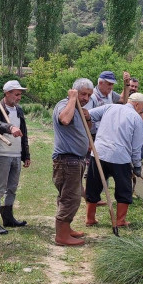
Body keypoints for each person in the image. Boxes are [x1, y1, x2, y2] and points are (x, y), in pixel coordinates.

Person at [83, 92, 143, 227]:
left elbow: (87, 114)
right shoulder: (136, 118)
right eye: (142, 106)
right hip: (120, 157)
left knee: (93, 186)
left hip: (99, 153)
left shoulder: (109, 107)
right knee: (124, 189)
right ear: (136, 104)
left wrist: (88, 121)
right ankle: (120, 221)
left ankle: (90, 219)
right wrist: (137, 165)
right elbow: (136, 146)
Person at [51, 78, 95, 246]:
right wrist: (72, 99)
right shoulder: (65, 104)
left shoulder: (79, 108)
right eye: (83, 94)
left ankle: (66, 229)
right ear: (74, 91)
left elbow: (85, 129)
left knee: (68, 196)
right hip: (67, 160)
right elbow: (65, 120)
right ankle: (61, 237)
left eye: (89, 95)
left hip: (76, 160)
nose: (86, 98)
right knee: (70, 198)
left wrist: (88, 117)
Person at [0, 80, 31, 235]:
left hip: (16, 155)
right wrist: (9, 127)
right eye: (17, 94)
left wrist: (26, 155)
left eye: (20, 94)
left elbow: (24, 133)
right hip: (2, 154)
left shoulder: (19, 110)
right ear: (7, 93)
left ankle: (8, 218)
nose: (19, 97)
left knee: (12, 188)